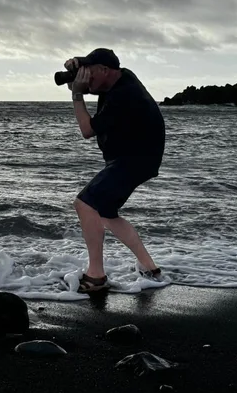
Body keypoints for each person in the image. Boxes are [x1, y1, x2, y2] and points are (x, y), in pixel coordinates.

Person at [64, 48, 165, 293]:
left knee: (85, 204)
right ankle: (150, 267)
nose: (88, 79)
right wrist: (80, 64)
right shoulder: (121, 76)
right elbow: (99, 71)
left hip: (134, 159)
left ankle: (96, 277)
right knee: (106, 214)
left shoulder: (124, 95)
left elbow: (87, 130)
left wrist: (77, 95)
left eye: (92, 73)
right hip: (138, 158)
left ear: (105, 70)